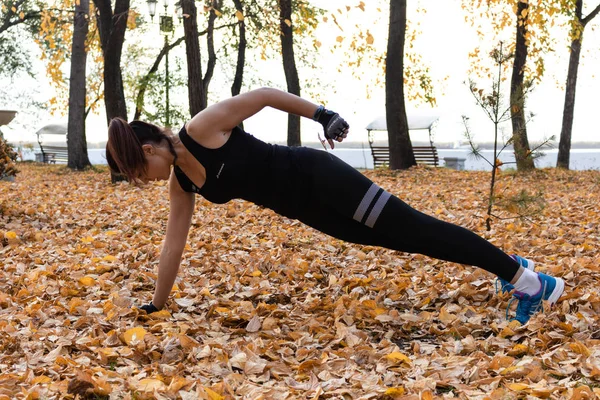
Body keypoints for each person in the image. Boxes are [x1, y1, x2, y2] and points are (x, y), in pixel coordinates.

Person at [106, 87, 564, 325]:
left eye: (135, 172)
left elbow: (262, 96)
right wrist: (157, 305)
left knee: (419, 230)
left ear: (148, 151)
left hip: (321, 179)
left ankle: (532, 282)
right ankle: (510, 267)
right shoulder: (182, 183)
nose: (140, 181)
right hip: (315, 212)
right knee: (408, 241)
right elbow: (173, 245)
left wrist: (321, 114)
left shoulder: (201, 129)